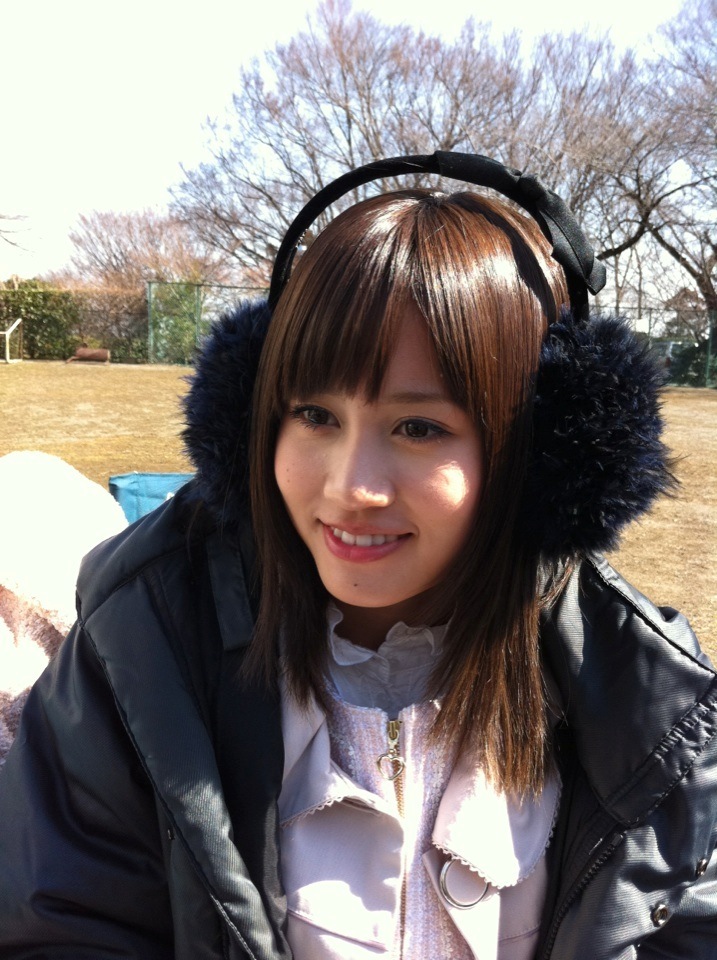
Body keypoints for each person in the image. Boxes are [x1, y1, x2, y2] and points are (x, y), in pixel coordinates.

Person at [0, 152, 715, 960]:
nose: (350, 487)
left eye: (418, 428)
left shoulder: (646, 701)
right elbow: (57, 928)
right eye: (314, 415)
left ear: (543, 456)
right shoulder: (140, 648)